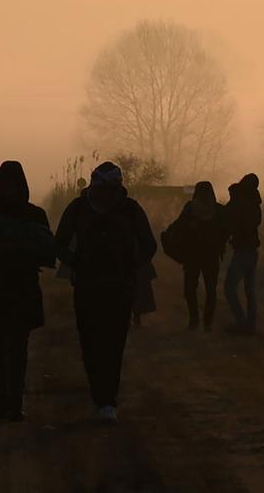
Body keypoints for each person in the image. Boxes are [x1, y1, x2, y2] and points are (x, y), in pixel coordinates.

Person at [55, 161, 157, 422]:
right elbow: (59, 244)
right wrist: (78, 262)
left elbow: (148, 244)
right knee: (91, 345)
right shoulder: (79, 209)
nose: (105, 192)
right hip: (88, 287)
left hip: (119, 287)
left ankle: (107, 399)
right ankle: (101, 397)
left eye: (110, 187)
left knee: (112, 346)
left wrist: (130, 265)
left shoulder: (130, 210)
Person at [0, 160, 52, 422]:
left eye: (12, 185)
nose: (8, 190)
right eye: (6, 185)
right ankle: (5, 402)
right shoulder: (33, 215)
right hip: (8, 288)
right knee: (1, 350)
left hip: (6, 288)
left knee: (14, 350)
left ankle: (10, 404)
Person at [164, 180, 228, 330]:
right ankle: (207, 322)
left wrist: (168, 236)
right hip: (211, 256)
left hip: (192, 255)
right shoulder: (218, 210)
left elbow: (178, 226)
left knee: (190, 289)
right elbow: (225, 232)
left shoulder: (190, 209)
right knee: (210, 289)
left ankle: (194, 320)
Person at [221, 173, 263, 334]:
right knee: (249, 290)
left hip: (241, 250)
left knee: (230, 287)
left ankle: (240, 321)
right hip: (251, 250)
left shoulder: (238, 202)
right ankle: (250, 325)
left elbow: (227, 218)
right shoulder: (255, 205)